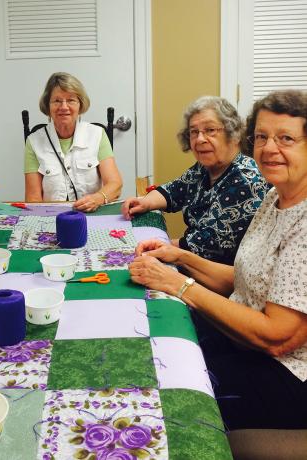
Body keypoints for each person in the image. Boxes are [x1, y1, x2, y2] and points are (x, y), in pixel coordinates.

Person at [129, 89, 307, 431]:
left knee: (163, 394)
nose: (270, 148)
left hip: (287, 372)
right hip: (243, 337)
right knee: (149, 345)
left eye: (286, 138)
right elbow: (244, 279)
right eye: (262, 137)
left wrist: (179, 283)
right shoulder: (275, 197)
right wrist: (180, 256)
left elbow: (277, 337)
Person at [122, 96, 270, 265]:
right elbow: (174, 190)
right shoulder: (205, 167)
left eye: (210, 130)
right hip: (194, 261)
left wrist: (155, 247)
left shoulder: (247, 179)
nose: (200, 139)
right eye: (194, 132)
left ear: (233, 134)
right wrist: (145, 203)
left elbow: (208, 245)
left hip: (221, 276)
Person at [24, 72, 122, 212]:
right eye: (57, 101)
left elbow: (115, 184)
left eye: (71, 100)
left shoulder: (97, 135)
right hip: (52, 218)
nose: (64, 107)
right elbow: (33, 198)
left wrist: (97, 199)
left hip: (92, 214)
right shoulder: (33, 142)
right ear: (48, 106)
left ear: (80, 105)